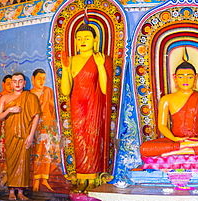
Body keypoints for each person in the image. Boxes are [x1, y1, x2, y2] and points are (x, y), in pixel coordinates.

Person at [139, 61, 198, 157]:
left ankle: (182, 149)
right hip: (176, 141)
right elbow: (162, 125)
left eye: (189, 77)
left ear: (196, 77)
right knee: (145, 148)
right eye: (181, 77)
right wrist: (175, 139)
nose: (185, 81)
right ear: (175, 78)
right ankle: (187, 148)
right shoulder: (166, 99)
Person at [61, 23, 112, 192]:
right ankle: (81, 175)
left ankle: (93, 176)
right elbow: (65, 90)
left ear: (95, 40)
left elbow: (105, 89)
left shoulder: (102, 58)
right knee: (79, 139)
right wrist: (65, 68)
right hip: (77, 104)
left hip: (94, 103)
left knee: (93, 137)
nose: (83, 41)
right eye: (79, 38)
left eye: (87, 38)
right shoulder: (73, 60)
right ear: (75, 41)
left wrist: (99, 65)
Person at [0, 72, 41, 200]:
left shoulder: (30, 97)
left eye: (20, 81)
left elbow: (36, 116)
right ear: (10, 83)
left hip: (25, 134)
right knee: (11, 162)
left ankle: (21, 191)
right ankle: (11, 191)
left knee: (23, 162)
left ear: (24, 83)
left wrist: (31, 135)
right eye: (14, 81)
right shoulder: (4, 98)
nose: (17, 84)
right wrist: (9, 110)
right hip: (10, 134)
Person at [30, 68, 58, 191]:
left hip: (48, 125)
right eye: (39, 78)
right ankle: (36, 180)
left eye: (43, 78)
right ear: (33, 79)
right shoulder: (30, 94)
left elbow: (55, 106)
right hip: (36, 126)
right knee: (37, 153)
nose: (41, 81)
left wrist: (48, 101)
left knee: (47, 152)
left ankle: (45, 179)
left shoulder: (48, 91)